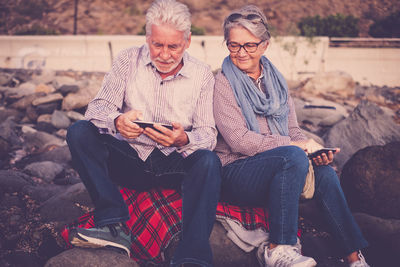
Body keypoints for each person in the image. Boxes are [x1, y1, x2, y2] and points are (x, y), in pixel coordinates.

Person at [66, 0, 221, 266]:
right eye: (157, 44)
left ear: (188, 41)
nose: (164, 54)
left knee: (209, 161)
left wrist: (184, 138)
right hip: (129, 158)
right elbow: (97, 108)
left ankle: (193, 255)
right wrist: (117, 120)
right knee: (79, 132)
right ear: (147, 37)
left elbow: (209, 133)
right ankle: (114, 224)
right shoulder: (128, 59)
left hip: (174, 163)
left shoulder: (203, 75)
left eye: (173, 46)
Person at [213, 5, 370, 267]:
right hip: (236, 172)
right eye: (234, 45)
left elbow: (293, 130)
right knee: (292, 155)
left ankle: (353, 257)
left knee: (326, 174)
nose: (241, 53)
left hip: (280, 168)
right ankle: (279, 247)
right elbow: (239, 140)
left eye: (249, 45)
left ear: (264, 45)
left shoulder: (277, 81)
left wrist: (314, 151)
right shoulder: (223, 82)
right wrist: (296, 147)